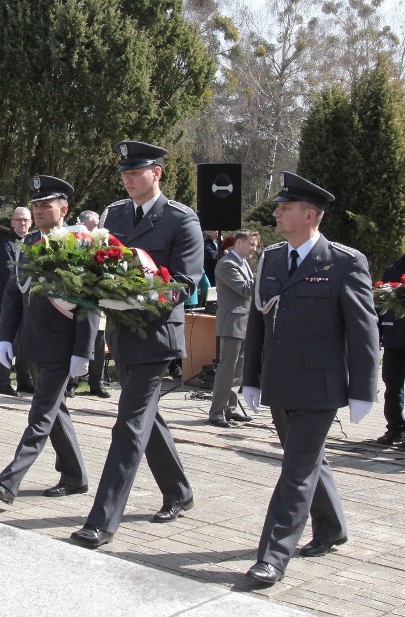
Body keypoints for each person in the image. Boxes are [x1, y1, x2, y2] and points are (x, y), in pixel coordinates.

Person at [242, 172, 379, 586]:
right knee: (309, 460)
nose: (277, 213)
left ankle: (273, 556)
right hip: (280, 382)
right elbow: (258, 322)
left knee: (296, 470)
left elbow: (363, 329)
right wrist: (250, 378)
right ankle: (332, 526)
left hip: (320, 386)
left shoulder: (343, 261)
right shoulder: (273, 258)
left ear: (310, 215)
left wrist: (363, 390)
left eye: (285, 208)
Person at [70, 140, 202, 549]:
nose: (128, 180)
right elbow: (99, 263)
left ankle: (103, 519)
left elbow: (186, 283)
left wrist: (138, 298)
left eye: (135, 173)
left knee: (128, 424)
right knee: (146, 417)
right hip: (121, 334)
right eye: (124, 174)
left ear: (156, 173)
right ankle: (179, 491)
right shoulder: (115, 214)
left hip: (156, 336)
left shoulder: (181, 219)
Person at [0, 175, 100, 505]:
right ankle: (75, 476)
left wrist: (83, 351)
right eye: (35, 206)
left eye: (45, 205)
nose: (38, 211)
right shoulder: (30, 241)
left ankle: (9, 480)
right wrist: (5, 337)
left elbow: (89, 300)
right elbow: (12, 293)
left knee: (41, 413)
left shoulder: (79, 242)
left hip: (63, 346)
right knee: (55, 410)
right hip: (32, 343)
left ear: (63, 208)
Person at [207, 230, 260, 427]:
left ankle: (230, 408)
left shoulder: (243, 263)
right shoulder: (227, 264)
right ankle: (216, 413)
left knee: (238, 370)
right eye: (251, 244)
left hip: (245, 323)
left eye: (255, 245)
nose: (254, 249)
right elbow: (246, 289)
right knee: (227, 369)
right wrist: (263, 272)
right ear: (239, 243)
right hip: (232, 323)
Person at [68, 210, 110, 398]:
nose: (97, 229)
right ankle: (71, 383)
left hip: (98, 303)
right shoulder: (75, 241)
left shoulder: (102, 242)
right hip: (79, 303)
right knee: (78, 344)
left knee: (99, 345)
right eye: (94, 226)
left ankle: (97, 383)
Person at [0, 207, 35, 397]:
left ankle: (24, 380)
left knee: (24, 341)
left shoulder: (34, 242)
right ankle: (3, 381)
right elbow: (9, 270)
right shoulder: (6, 244)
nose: (22, 223)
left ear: (31, 222)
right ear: (12, 223)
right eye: (18, 220)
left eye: (26, 220)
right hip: (10, 301)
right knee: (8, 340)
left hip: (28, 301)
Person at [377, 253, 405, 445]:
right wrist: (377, 333)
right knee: (392, 385)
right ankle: (395, 428)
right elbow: (380, 303)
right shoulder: (394, 268)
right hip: (395, 337)